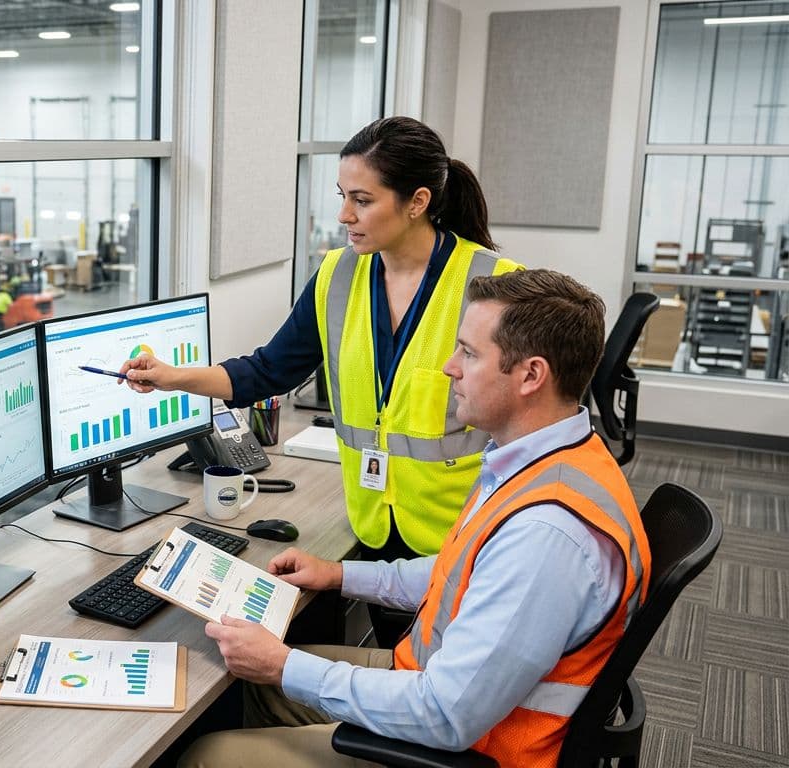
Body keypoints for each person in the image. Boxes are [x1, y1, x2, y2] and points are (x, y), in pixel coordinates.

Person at [179, 270, 650, 768]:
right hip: (438, 682)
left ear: (531, 375)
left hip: (473, 746)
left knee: (206, 755)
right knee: (258, 689)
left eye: (469, 353)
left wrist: (286, 665)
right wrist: (340, 575)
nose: (449, 367)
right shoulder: (553, 457)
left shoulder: (547, 534)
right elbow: (463, 571)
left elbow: (445, 716)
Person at [120, 117, 522, 643]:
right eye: (341, 195)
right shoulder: (337, 275)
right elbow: (268, 370)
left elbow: (527, 419)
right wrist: (176, 378)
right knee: (398, 669)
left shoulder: (492, 284)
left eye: (362, 199)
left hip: (464, 533)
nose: (343, 215)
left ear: (417, 201)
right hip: (375, 525)